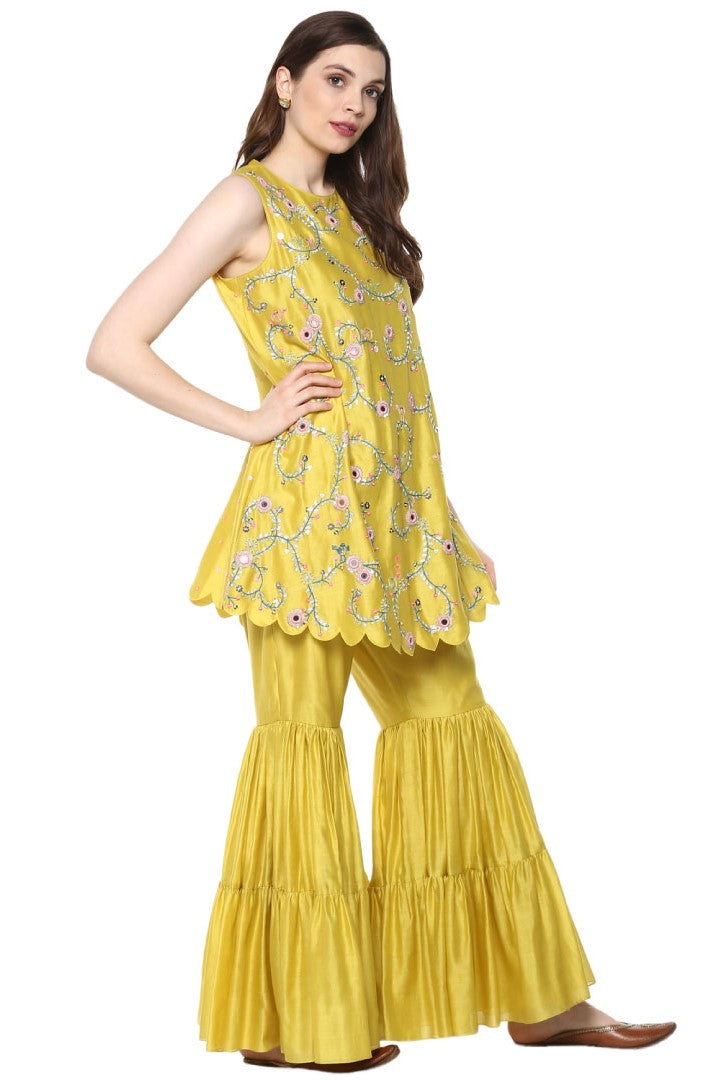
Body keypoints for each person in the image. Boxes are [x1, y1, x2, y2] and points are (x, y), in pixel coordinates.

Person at [86, 9, 676, 1072]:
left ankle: (546, 998)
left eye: (372, 90)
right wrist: (250, 418)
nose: (354, 104)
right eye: (336, 80)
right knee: (303, 750)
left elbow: (398, 401)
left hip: (397, 537)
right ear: (284, 83)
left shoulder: (363, 221)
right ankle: (302, 1024)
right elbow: (114, 343)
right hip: (302, 537)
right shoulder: (243, 201)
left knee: (456, 725)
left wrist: (446, 527)